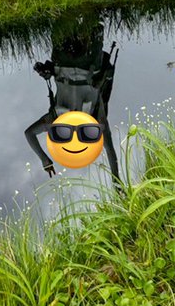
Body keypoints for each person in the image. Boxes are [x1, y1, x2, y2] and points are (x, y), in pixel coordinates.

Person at [24, 16, 120, 183]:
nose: (74, 136)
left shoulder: (55, 121)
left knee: (65, 16)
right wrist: (116, 181)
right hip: (86, 63)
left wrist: (44, 160)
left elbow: (29, 133)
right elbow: (110, 151)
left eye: (63, 135)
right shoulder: (97, 122)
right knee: (93, 19)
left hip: (65, 62)